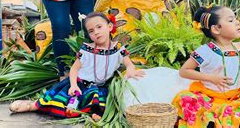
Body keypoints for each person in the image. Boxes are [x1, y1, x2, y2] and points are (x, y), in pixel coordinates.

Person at [9, 12, 145, 120]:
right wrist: (73, 85)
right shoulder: (87, 50)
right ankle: (33, 105)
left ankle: (95, 113)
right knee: (58, 100)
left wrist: (130, 70)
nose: (96, 32)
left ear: (109, 27)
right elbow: (74, 69)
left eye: (99, 27)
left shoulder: (118, 49)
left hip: (99, 86)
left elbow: (128, 62)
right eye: (91, 31)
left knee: (97, 99)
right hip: (79, 83)